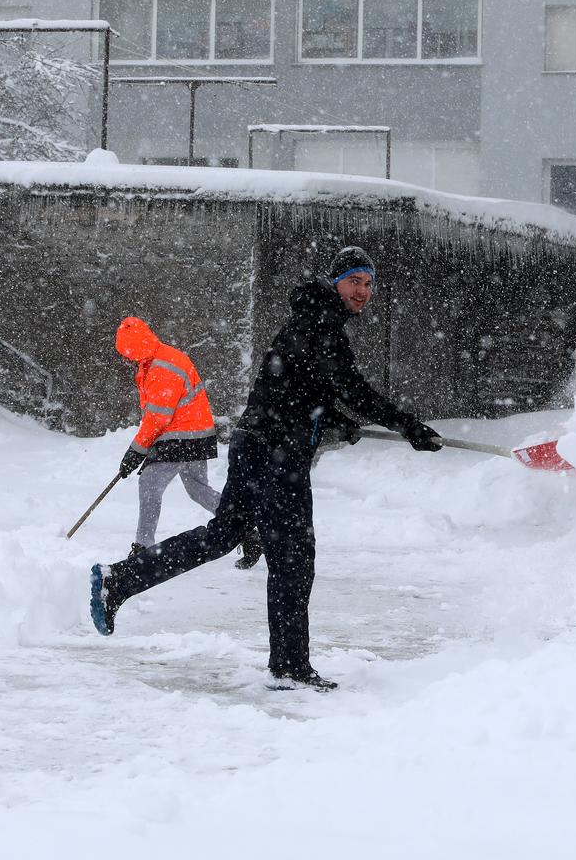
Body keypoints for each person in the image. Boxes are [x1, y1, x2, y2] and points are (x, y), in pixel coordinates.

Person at [90, 246, 444, 691]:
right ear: (335, 282)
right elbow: (347, 386)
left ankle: (119, 580)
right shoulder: (322, 323)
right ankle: (291, 667)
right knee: (294, 558)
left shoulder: (313, 319)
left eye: (369, 283)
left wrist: (334, 424)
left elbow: (299, 388)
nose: (363, 291)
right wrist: (408, 426)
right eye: (355, 280)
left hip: (258, 445)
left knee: (223, 536)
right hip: (277, 455)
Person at [112, 316, 221, 554]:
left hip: (181, 434)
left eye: (126, 352)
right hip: (196, 432)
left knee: (149, 483)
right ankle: (242, 523)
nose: (125, 358)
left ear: (135, 347)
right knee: (196, 487)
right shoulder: (155, 359)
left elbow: (157, 418)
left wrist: (135, 452)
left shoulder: (161, 367)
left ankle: (143, 547)